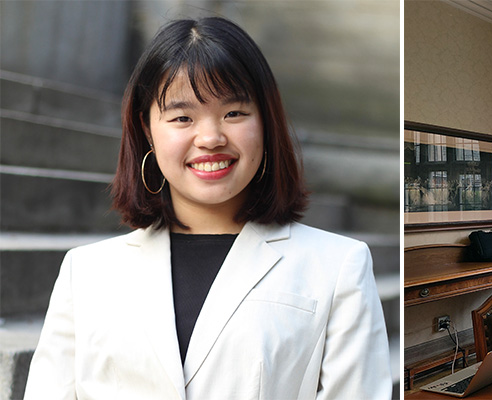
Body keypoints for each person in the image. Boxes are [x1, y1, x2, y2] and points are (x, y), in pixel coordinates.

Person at [24, 17, 391, 399]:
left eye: (234, 113)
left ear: (266, 121)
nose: (211, 138)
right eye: (182, 117)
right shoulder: (86, 273)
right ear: (147, 128)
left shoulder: (337, 267)